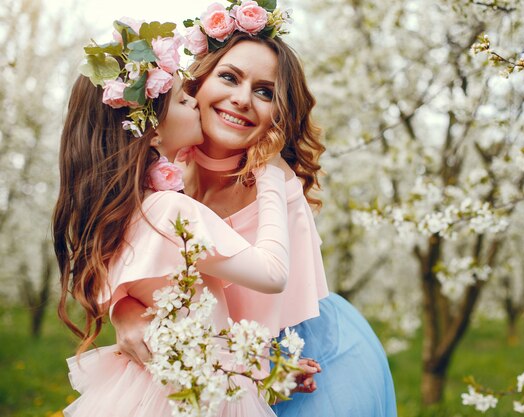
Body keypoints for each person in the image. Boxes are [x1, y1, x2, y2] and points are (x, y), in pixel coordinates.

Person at [114, 4, 398, 416]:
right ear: (199, 81)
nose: (243, 99)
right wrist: (123, 309)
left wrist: (259, 375)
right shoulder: (161, 167)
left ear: (279, 113)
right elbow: (118, 256)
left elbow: (271, 294)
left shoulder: (275, 183)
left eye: (265, 92)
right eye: (229, 77)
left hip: (296, 355)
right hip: (197, 359)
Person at [53, 19, 295, 417]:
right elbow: (273, 272)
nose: (197, 102)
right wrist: (268, 171)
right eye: (184, 100)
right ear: (149, 132)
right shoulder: (171, 210)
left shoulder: (133, 210)